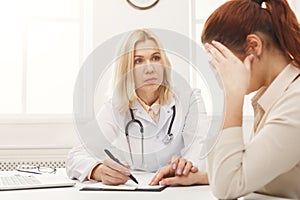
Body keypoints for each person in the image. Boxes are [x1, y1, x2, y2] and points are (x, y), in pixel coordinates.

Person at [66, 29, 209, 186]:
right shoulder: (116, 107)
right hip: (137, 190)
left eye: (155, 58)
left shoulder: (189, 98)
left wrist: (185, 166)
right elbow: (75, 156)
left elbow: (200, 149)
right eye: (138, 61)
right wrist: (98, 171)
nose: (149, 68)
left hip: (180, 190)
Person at [200, 0, 300, 199]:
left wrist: (232, 95)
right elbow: (264, 171)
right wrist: (205, 176)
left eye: (221, 62)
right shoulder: (274, 96)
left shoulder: (295, 102)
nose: (219, 74)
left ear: (253, 46)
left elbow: (229, 187)